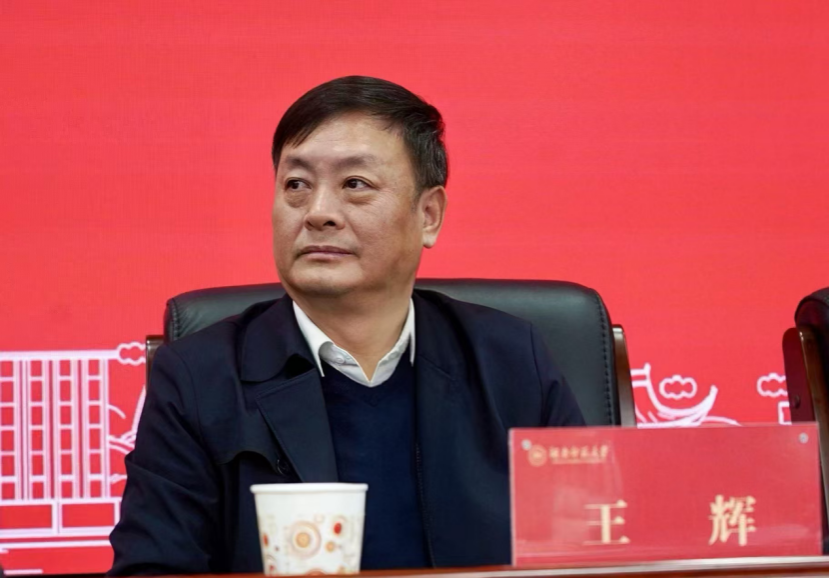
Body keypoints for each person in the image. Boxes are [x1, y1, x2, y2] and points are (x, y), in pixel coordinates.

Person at [109, 76, 584, 575]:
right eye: (296, 185)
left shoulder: (511, 359)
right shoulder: (198, 378)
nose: (318, 213)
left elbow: (594, 553)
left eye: (355, 184)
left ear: (428, 215)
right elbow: (153, 568)